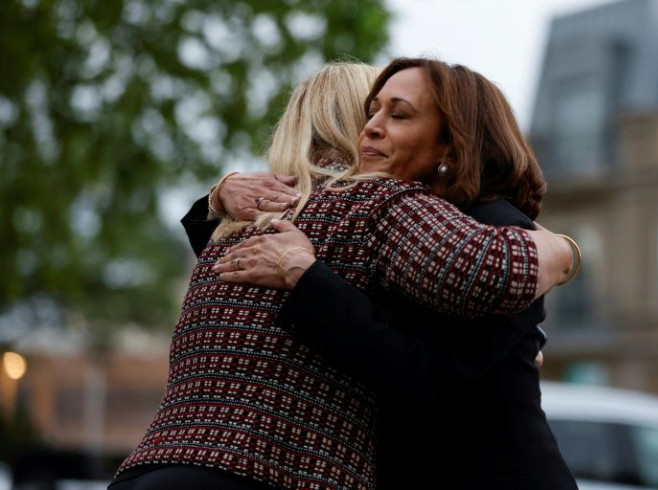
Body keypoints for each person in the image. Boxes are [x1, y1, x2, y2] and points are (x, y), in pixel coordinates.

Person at [111, 61, 573, 490]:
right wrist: (219, 195)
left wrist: (566, 251)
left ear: (450, 144)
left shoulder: (487, 226)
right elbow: (246, 277)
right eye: (370, 110)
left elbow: (425, 378)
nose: (370, 128)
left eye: (399, 114)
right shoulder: (360, 215)